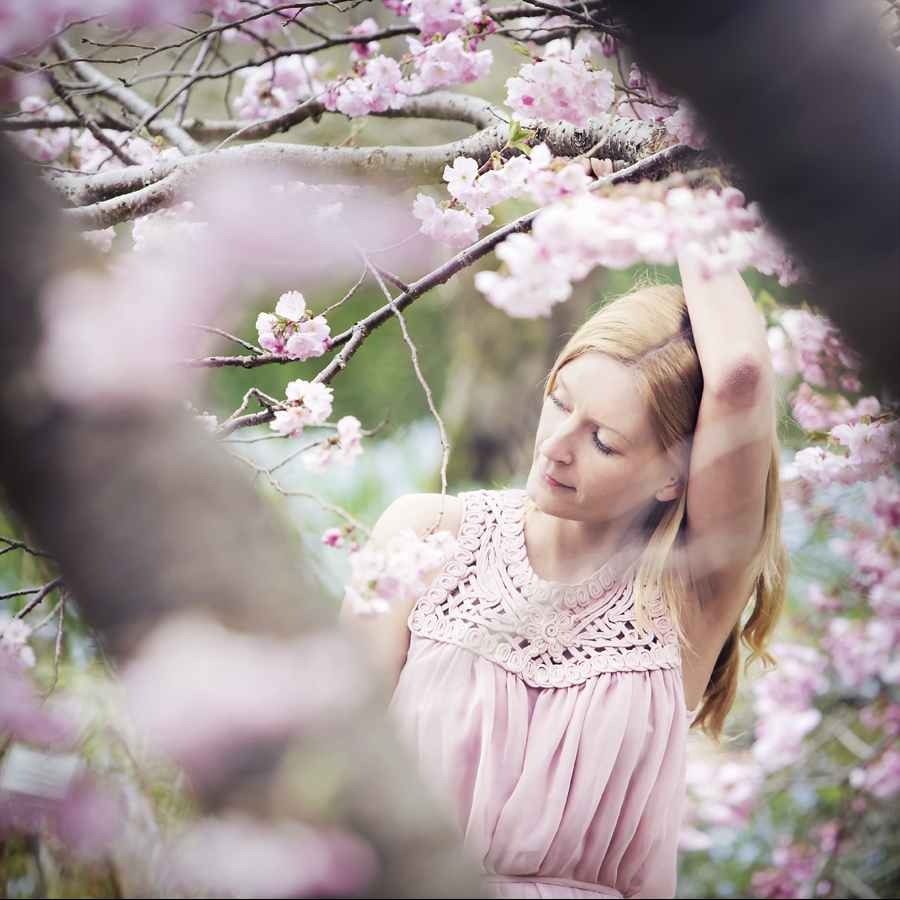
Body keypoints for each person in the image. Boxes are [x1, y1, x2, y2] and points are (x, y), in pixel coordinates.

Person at [342, 258, 788, 899]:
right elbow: (326, 762)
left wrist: (679, 187)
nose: (555, 445)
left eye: (604, 441)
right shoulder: (424, 538)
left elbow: (741, 376)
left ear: (673, 478)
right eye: (559, 403)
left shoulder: (689, 593)